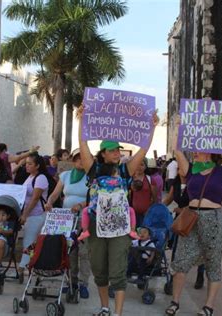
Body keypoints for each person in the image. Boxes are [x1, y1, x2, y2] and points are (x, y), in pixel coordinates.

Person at [165, 118, 222, 316]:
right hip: (191, 219)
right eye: (194, 147)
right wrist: (179, 128)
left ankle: (209, 307)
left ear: (210, 150)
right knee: (180, 262)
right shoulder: (190, 171)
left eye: (199, 148)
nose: (195, 151)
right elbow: (178, 151)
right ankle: (175, 302)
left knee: (213, 263)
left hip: (214, 221)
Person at [77, 106, 159, 316]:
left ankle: (118, 313)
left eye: (118, 150)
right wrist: (82, 120)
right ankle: (105, 308)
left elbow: (142, 151)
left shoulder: (125, 171)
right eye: (112, 150)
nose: (117, 153)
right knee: (99, 270)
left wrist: (152, 127)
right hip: (95, 226)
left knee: (118, 271)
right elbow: (82, 144)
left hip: (120, 227)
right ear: (103, 154)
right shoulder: (93, 170)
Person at [44, 148, 92, 298]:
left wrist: (81, 205)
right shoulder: (65, 176)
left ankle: (84, 283)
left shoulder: (92, 178)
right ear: (73, 160)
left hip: (85, 219)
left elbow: (95, 198)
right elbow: (55, 193)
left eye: (83, 158)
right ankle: (71, 281)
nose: (80, 161)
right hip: (67, 219)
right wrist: (49, 202)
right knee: (69, 251)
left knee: (84, 253)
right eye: (78, 158)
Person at [17, 153, 49, 282]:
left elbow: (35, 198)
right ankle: (25, 266)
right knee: (29, 242)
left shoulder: (41, 178)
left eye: (30, 164)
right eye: (26, 163)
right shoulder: (30, 177)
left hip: (36, 215)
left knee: (29, 242)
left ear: (37, 165)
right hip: (30, 215)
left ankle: (24, 267)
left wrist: (25, 214)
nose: (27, 166)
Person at [130, 158, 157, 227]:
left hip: (146, 214)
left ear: (145, 167)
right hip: (132, 213)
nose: (139, 167)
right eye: (138, 164)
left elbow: (154, 198)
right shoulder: (130, 179)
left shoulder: (150, 179)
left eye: (142, 165)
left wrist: (150, 210)